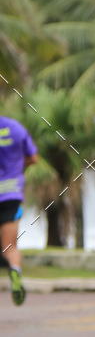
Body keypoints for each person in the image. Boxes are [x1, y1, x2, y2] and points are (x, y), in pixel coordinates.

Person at [0, 115, 38, 305]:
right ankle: (15, 270)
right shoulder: (15, 128)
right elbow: (33, 157)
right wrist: (16, 168)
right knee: (10, 246)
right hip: (10, 194)